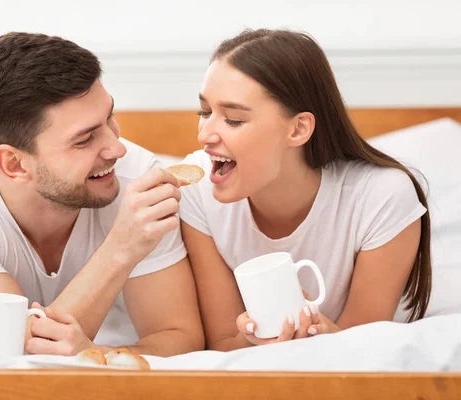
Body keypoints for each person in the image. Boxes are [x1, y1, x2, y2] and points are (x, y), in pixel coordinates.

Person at [0, 32, 204, 357]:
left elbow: (179, 338)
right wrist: (121, 248)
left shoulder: (141, 181)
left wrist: (96, 355)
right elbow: (5, 360)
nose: (117, 147)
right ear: (14, 164)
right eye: (84, 139)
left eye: (110, 118)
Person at [179, 28, 432, 351]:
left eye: (233, 120)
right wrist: (252, 337)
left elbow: (366, 352)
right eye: (205, 112)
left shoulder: (382, 198)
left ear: (298, 129)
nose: (204, 135)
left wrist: (323, 336)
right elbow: (224, 342)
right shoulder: (196, 191)